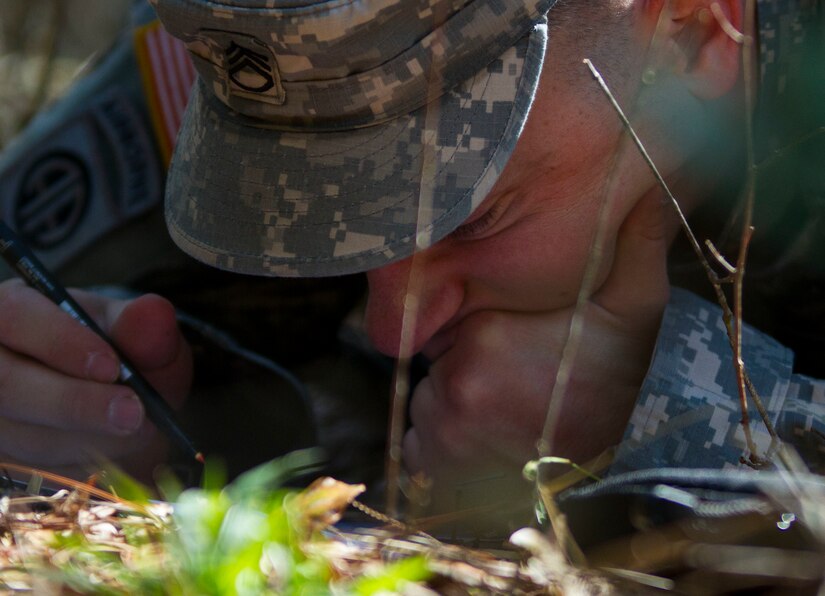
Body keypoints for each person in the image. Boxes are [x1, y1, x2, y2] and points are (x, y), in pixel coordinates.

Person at [0, 0, 822, 531]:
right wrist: (130, 415)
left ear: (693, 29)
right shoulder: (259, 40)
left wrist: (671, 419)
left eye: (476, 218)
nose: (395, 328)